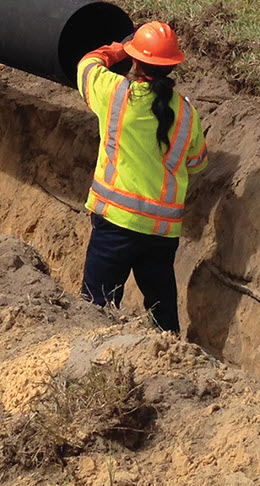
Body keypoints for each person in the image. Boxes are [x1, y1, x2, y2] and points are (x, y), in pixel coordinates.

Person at [75, 21, 206, 334]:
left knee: (94, 308)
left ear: (135, 60)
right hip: (161, 234)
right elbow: (197, 162)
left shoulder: (115, 93)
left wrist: (119, 47)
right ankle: (174, 361)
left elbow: (86, 64)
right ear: (173, 66)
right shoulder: (186, 113)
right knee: (162, 314)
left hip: (115, 226)